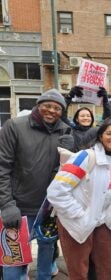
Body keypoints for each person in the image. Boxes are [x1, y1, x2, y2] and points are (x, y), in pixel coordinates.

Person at [0, 89, 72, 279]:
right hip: (18, 208)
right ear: (38, 105)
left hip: (49, 208)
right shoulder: (14, 126)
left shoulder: (64, 130)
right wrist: (7, 204)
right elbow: (2, 166)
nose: (51, 111)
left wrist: (70, 151)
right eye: (47, 105)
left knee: (47, 255)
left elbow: (69, 171)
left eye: (57, 108)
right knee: (14, 264)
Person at [47, 119, 111, 279]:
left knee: (107, 268)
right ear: (100, 136)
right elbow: (56, 191)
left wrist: (108, 217)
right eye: (109, 133)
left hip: (103, 224)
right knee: (79, 271)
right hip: (76, 223)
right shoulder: (84, 157)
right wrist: (80, 214)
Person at [62, 86, 111, 152]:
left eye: (88, 116)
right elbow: (62, 114)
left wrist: (105, 101)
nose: (86, 118)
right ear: (77, 119)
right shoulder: (70, 130)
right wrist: (69, 96)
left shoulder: (97, 130)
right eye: (82, 116)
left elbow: (107, 118)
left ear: (91, 119)